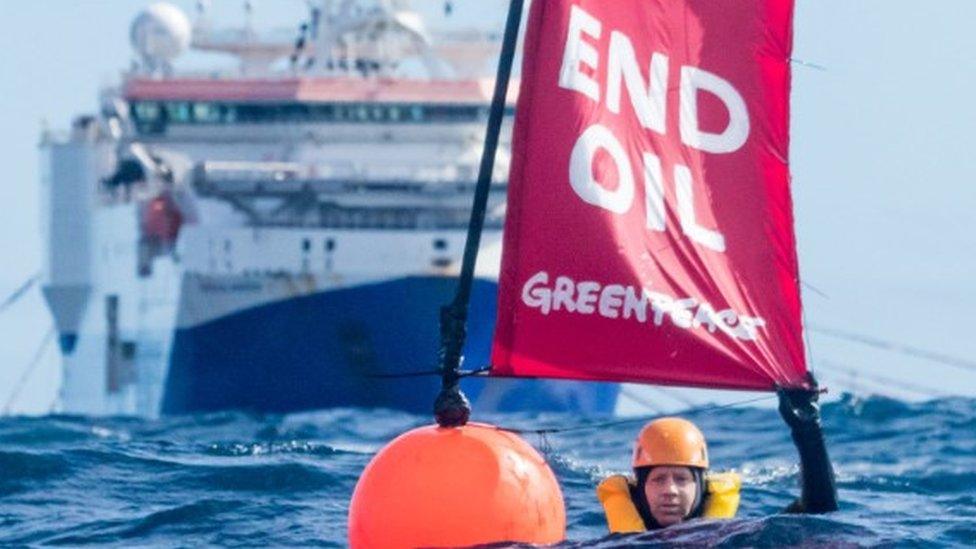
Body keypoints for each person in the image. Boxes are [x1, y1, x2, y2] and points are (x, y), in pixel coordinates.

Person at [597, 386, 839, 533]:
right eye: (658, 479)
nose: (669, 490)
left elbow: (817, 511)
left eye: (681, 479)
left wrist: (808, 432)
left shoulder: (730, 537)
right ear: (639, 488)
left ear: (702, 487)